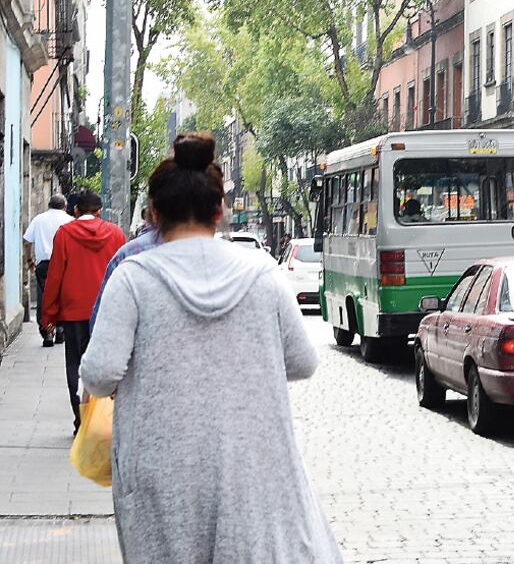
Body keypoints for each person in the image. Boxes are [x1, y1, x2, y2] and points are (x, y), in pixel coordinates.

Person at [80, 133, 342, 562]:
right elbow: (302, 360)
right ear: (219, 212)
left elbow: (100, 373)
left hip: (160, 469)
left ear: (154, 213)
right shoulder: (262, 273)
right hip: (252, 465)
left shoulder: (133, 279)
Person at [41, 191, 126, 433]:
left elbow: (55, 276)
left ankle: (80, 419)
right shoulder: (116, 234)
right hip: (106, 310)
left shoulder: (65, 234)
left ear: (76, 210)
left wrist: (48, 315)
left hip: (73, 310)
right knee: (106, 364)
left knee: (74, 365)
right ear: (99, 211)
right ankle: (101, 420)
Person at [23, 194, 74, 347]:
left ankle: (47, 332)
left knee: (44, 297)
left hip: (44, 264)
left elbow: (27, 241)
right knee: (62, 296)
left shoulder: (39, 219)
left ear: (49, 205)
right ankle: (60, 329)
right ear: (65, 206)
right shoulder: (70, 220)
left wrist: (30, 260)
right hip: (64, 264)